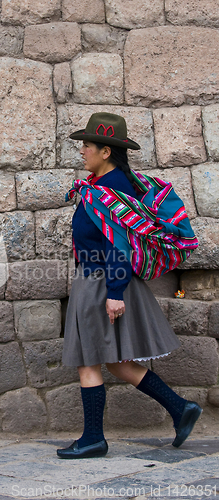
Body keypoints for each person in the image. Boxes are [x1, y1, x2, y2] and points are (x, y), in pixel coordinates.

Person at [57, 112, 202, 459]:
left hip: (102, 282)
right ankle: (180, 409)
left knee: (89, 360)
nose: (83, 151)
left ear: (106, 151)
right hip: (96, 279)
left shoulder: (112, 191)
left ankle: (93, 438)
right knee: (118, 362)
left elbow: (118, 245)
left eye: (87, 146)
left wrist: (115, 293)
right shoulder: (105, 186)